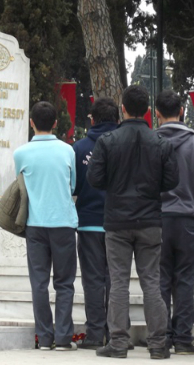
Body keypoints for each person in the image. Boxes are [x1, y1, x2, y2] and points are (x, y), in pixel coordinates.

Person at [87, 84, 179, 360]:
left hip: (117, 220)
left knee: (118, 282)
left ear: (122, 110)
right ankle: (158, 343)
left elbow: (94, 179)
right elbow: (172, 181)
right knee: (151, 281)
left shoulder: (107, 142)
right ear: (148, 111)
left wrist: (115, 186)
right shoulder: (160, 143)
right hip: (150, 219)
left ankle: (117, 342)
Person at [13, 101, 78, 351]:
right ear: (55, 123)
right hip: (63, 222)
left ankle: (44, 337)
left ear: (31, 122)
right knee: (64, 282)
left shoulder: (21, 153)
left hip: (35, 224)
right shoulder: (67, 151)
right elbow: (72, 187)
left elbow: (20, 184)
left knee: (39, 282)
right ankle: (63, 338)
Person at [155, 90, 194, 355]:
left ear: (157, 114)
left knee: (160, 279)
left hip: (158, 219)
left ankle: (163, 335)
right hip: (189, 218)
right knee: (186, 280)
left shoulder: (151, 141)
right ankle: (182, 338)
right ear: (181, 111)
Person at [72, 97, 120, 349]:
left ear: (91, 119)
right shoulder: (124, 146)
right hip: (119, 224)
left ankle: (93, 335)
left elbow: (74, 186)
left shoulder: (79, 149)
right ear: (117, 120)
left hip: (89, 223)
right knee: (116, 280)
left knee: (93, 280)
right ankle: (116, 334)